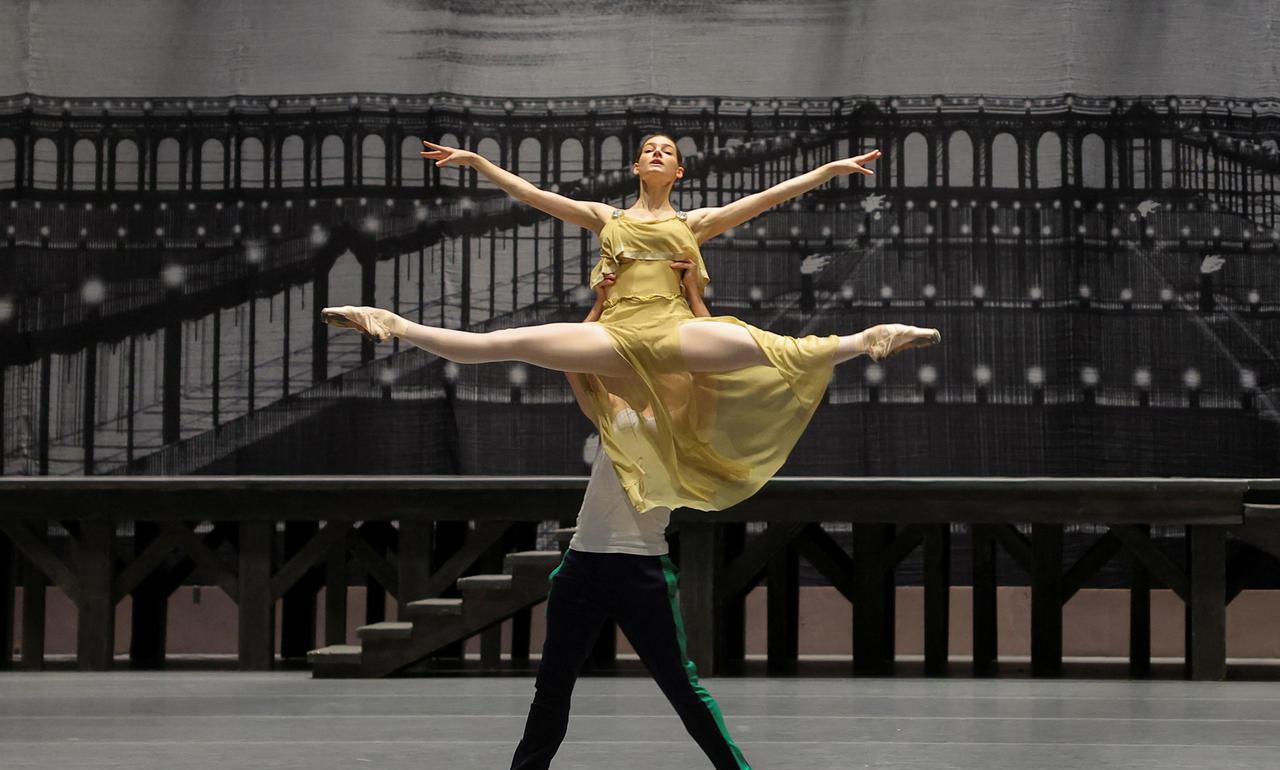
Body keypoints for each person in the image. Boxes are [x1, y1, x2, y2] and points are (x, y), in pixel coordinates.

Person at [321, 132, 940, 517]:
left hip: (672, 331)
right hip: (615, 335)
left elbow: (766, 199)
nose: (656, 153)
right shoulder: (605, 216)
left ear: (678, 174)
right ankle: (390, 323)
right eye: (648, 148)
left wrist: (829, 171)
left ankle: (869, 338)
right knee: (495, 345)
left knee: (763, 345)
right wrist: (481, 163)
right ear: (637, 167)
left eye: (667, 151)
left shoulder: (692, 223)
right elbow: (536, 197)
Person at [476, 273, 778, 770]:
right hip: (583, 565)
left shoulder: (686, 427)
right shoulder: (612, 415)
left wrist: (690, 295)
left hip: (641, 566)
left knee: (683, 688)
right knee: (552, 687)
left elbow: (710, 351)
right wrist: (597, 302)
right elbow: (571, 357)